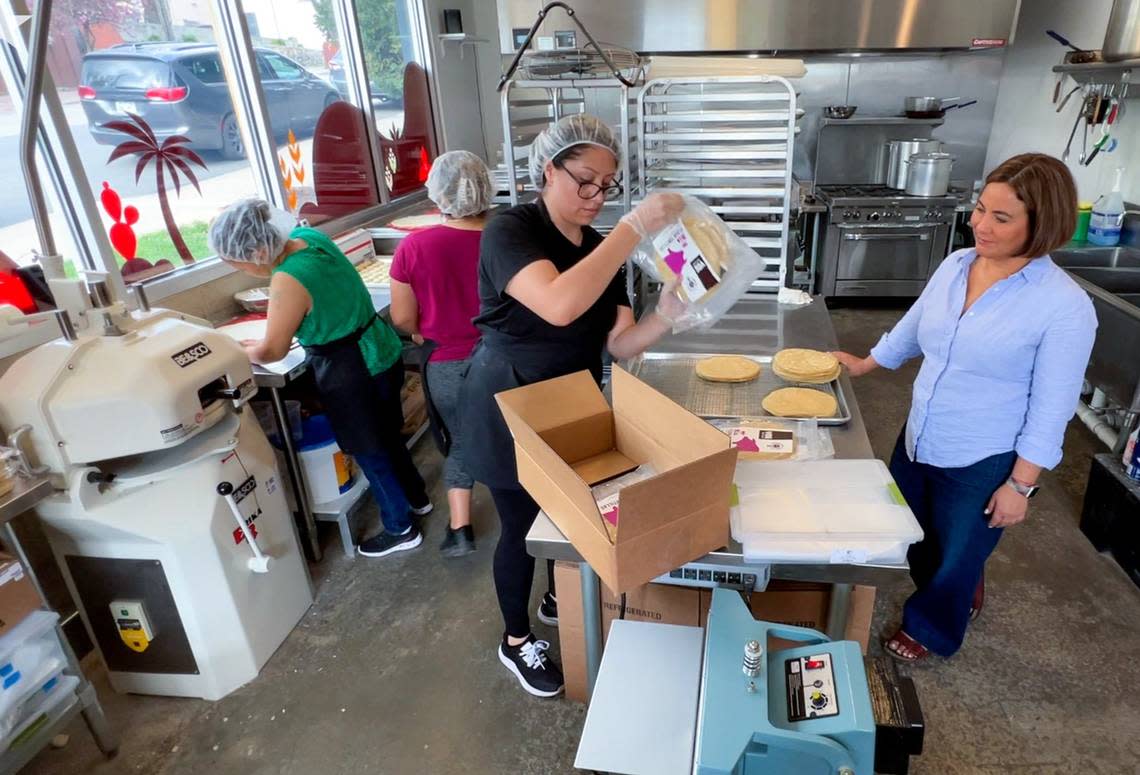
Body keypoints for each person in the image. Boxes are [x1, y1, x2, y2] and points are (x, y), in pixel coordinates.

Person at [832, 153, 1097, 663]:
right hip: (921, 434)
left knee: (957, 552)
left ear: (1041, 225)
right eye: (979, 210)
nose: (980, 225)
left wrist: (1021, 485)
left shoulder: (1063, 306)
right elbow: (914, 326)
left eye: (1001, 218)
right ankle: (960, 577)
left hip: (985, 455)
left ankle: (931, 628)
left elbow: (1053, 406)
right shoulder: (957, 265)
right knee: (913, 533)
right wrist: (865, 364)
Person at [461, 114, 687, 697]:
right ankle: (515, 641)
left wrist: (665, 315)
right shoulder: (511, 230)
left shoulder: (599, 250)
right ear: (548, 169)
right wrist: (633, 227)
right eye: (584, 179)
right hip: (510, 398)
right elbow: (558, 306)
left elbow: (619, 344)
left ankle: (559, 588)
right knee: (518, 524)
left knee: (569, 509)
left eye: (607, 186)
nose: (596, 196)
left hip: (574, 399)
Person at [208, 200, 432, 559]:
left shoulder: (287, 278)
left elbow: (274, 350)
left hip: (351, 369)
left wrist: (240, 349)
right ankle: (417, 498)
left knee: (368, 450)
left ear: (256, 251)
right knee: (389, 435)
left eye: (235, 262)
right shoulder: (308, 237)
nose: (237, 268)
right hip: (380, 348)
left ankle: (400, 527)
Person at [389, 150, 492, 558]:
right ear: (486, 188)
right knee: (515, 437)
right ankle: (533, 516)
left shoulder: (415, 247)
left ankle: (460, 528)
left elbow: (401, 316)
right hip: (501, 360)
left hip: (445, 365)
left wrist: (419, 333)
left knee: (462, 438)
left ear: (438, 195)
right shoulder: (504, 238)